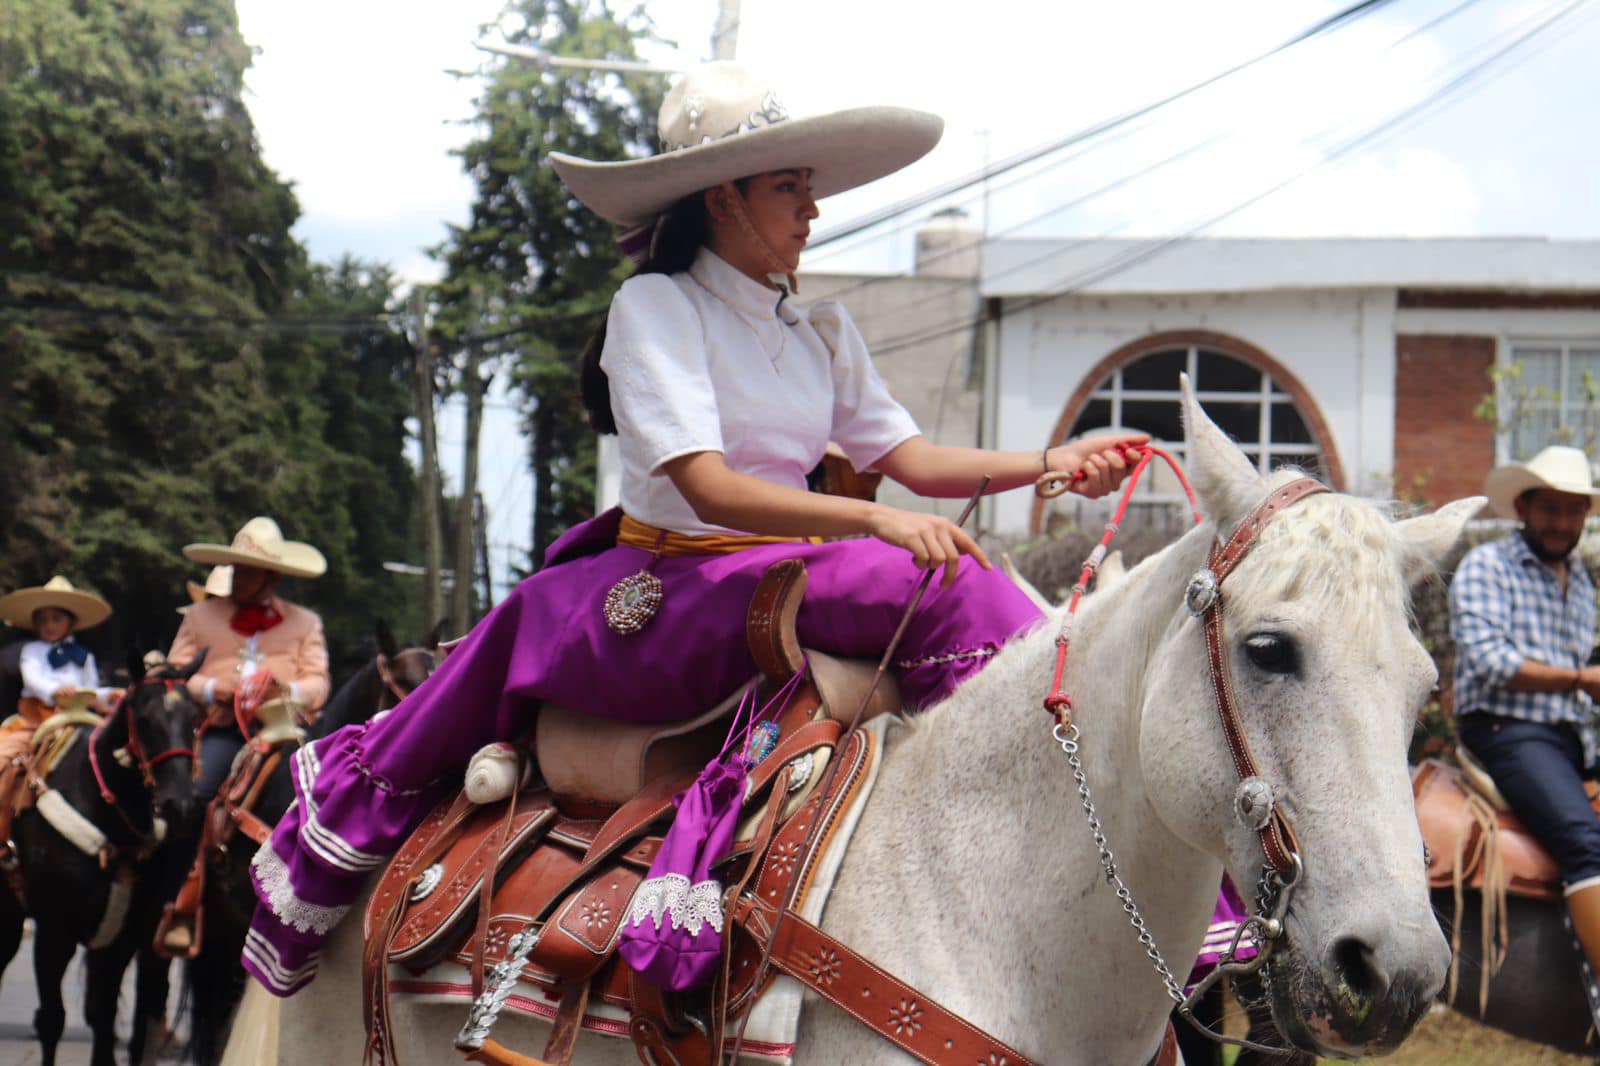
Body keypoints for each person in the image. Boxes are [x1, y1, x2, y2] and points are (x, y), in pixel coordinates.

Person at [239, 61, 1147, 996]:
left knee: (969, 579)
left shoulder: (819, 330)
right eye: (788, 187)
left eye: (808, 187)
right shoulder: (656, 308)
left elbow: (917, 461)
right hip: (677, 587)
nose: (813, 210)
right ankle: (1062, 801)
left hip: (784, 574)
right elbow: (709, 490)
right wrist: (874, 518)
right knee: (947, 583)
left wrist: (1054, 462)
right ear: (724, 198)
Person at [1450, 445, 1600, 985]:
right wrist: (1584, 680)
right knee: (1585, 842)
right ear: (1523, 508)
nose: (1561, 523)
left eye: (1572, 510)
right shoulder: (1487, 565)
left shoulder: (1580, 581)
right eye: (1550, 509)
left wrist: (1583, 686)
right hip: (1505, 729)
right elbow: (1492, 663)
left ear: (1586, 514)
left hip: (1569, 736)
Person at [158, 517, 331, 954]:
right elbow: (176, 675)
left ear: (270, 577)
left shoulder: (305, 622)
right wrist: (217, 688)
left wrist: (283, 689)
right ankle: (182, 898)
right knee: (195, 797)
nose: (239, 578)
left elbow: (319, 683)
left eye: (249, 571)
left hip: (283, 731)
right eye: (236, 569)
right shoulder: (200, 616)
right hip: (222, 729)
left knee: (328, 800)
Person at [0, 576, 116, 760]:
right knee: (5, 751)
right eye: (42, 621)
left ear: (71, 622)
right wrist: (55, 690)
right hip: (37, 717)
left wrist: (109, 695)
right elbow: (33, 679)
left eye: (56, 619)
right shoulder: (31, 650)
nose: (49, 625)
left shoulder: (85, 655)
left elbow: (91, 689)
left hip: (79, 715)